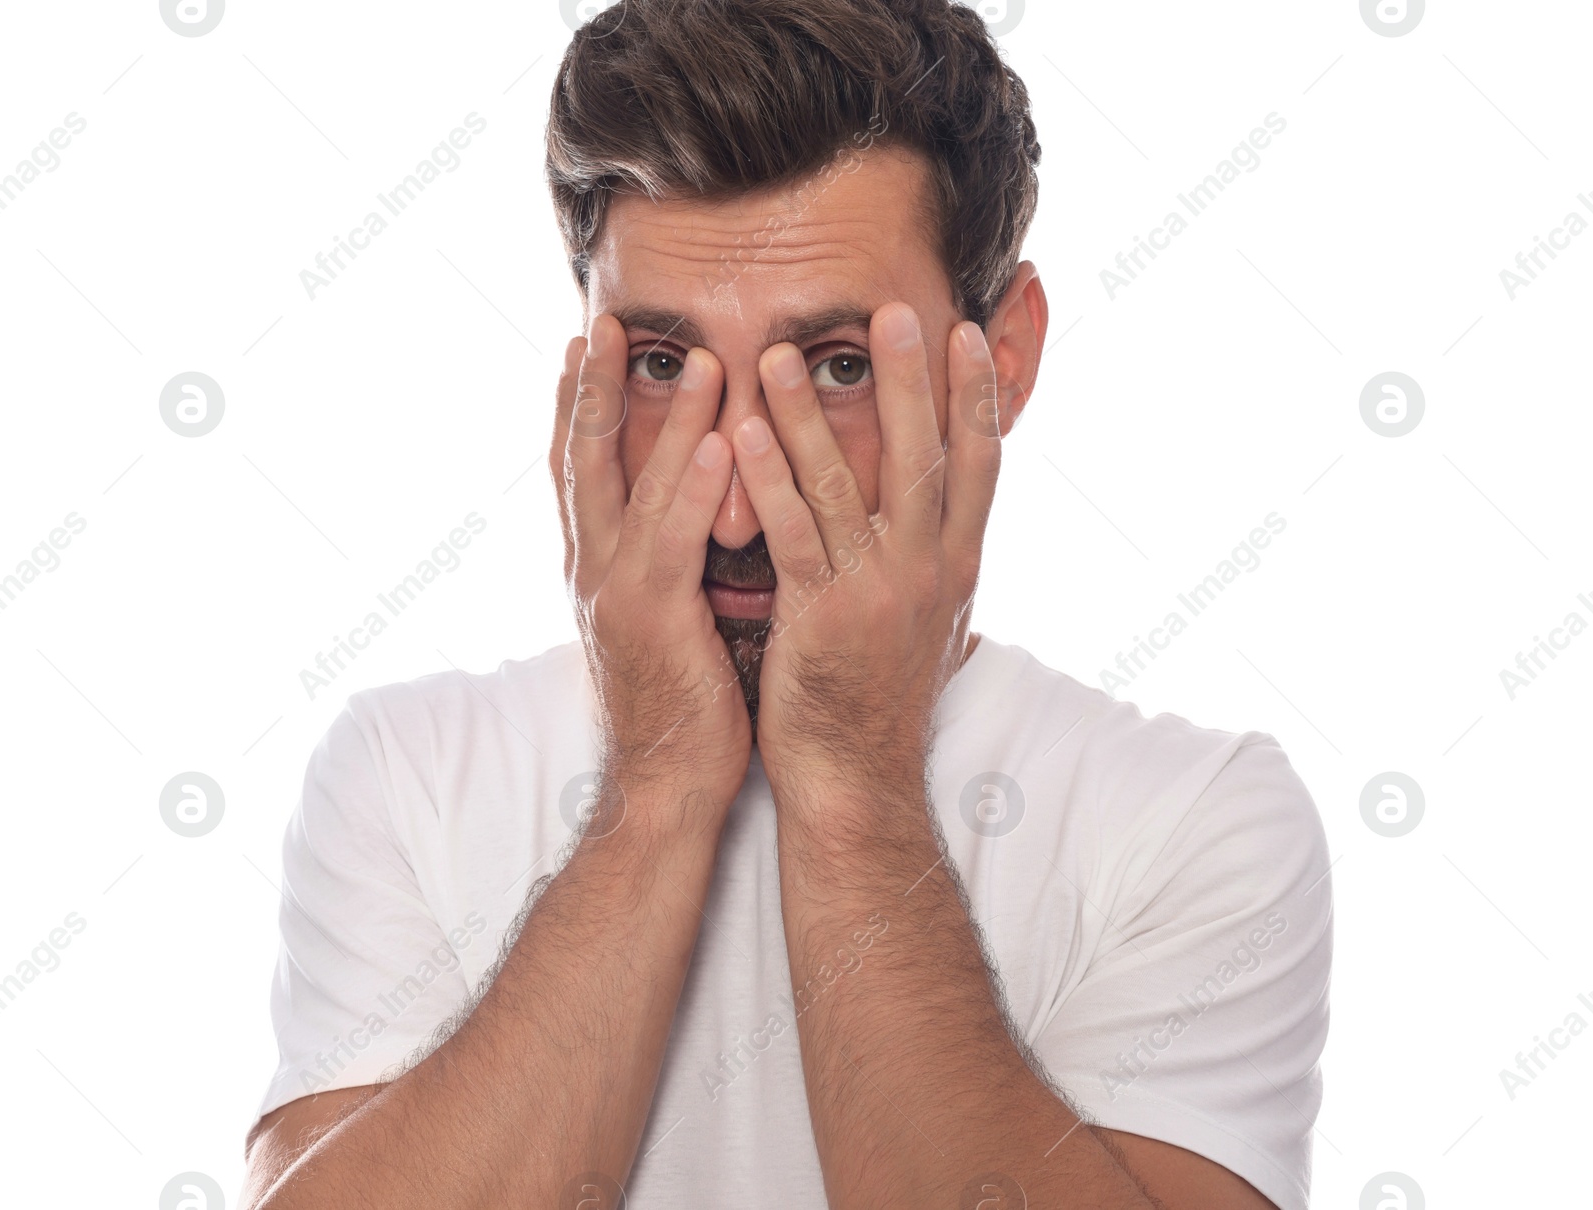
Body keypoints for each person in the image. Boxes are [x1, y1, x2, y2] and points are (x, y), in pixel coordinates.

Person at [240, 1, 1331, 1206]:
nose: (741, 504)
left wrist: (852, 778)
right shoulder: (403, 775)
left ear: (1002, 359)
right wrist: (656, 782)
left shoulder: (1197, 821)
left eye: (837, 366)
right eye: (663, 362)